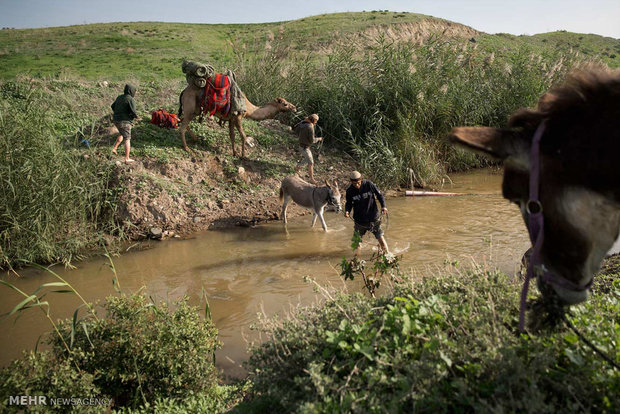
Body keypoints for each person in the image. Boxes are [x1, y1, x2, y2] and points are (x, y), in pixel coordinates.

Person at [344, 170, 389, 254]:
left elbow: (380, 195)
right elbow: (348, 203)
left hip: (373, 218)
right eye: (354, 184)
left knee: (380, 238)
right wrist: (347, 211)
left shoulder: (369, 184)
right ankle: (357, 259)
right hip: (359, 221)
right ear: (351, 182)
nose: (357, 185)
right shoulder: (349, 191)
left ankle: (388, 256)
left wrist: (384, 206)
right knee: (356, 242)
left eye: (358, 183)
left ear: (361, 180)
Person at [111, 84, 138, 163]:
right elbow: (133, 111)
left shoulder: (119, 97)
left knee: (122, 134)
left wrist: (118, 113)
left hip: (116, 120)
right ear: (131, 91)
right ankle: (127, 158)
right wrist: (134, 117)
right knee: (127, 139)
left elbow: (112, 106)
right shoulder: (130, 99)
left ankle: (114, 148)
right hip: (124, 121)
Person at [293, 113, 322, 184]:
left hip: (301, 146)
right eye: (316, 121)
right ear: (313, 120)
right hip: (305, 148)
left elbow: (295, 130)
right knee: (311, 163)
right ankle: (312, 179)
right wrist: (318, 139)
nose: (316, 122)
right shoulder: (310, 127)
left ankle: (297, 167)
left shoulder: (302, 123)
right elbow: (312, 141)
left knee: (308, 159)